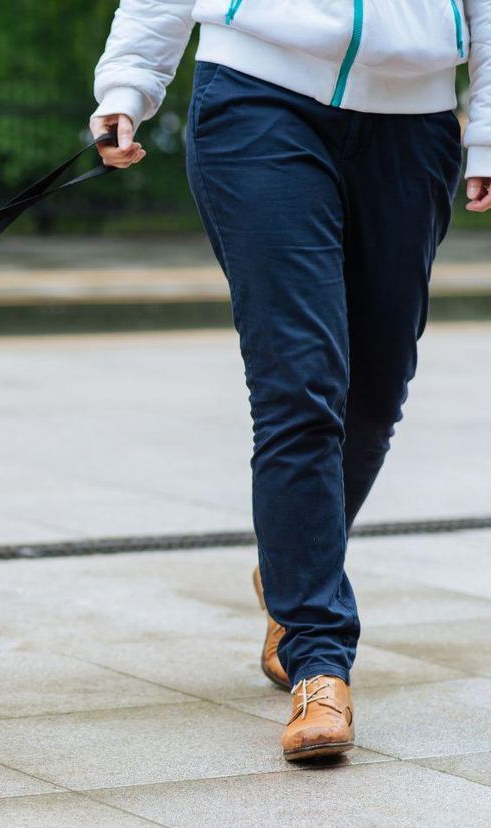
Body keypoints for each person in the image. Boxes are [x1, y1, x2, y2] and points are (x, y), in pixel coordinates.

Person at [90, 1, 490, 760]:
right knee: (301, 383)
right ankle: (319, 662)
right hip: (257, 101)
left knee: (377, 388)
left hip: (415, 123)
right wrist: (130, 85)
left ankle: (291, 564)